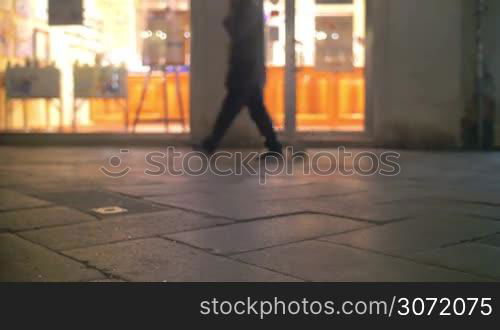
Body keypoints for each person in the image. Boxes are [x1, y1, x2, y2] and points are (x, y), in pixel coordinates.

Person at [199, 0, 283, 156]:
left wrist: (229, 21)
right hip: (248, 68)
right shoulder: (250, 9)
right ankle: (274, 145)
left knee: (231, 109)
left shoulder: (246, 10)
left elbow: (238, 32)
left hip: (244, 69)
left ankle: (211, 143)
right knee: (255, 109)